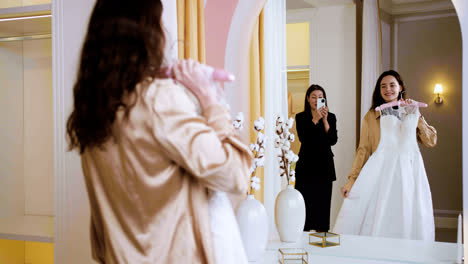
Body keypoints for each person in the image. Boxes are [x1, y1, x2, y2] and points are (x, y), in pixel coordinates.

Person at [66, 1, 252, 263]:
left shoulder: (92, 111)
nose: (165, 32)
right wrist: (209, 99)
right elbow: (235, 175)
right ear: (147, 34)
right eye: (160, 23)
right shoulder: (157, 99)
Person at [333, 70, 437, 240]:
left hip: (408, 172)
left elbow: (431, 141)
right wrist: (352, 180)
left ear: (400, 87)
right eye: (383, 86)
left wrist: (416, 114)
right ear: (378, 90)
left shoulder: (411, 110)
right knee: (378, 218)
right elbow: (363, 150)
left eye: (392, 85)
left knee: (407, 214)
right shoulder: (372, 116)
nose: (388, 89)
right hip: (381, 173)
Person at [294, 84, 338, 232]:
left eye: (320, 97)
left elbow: (333, 140)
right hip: (306, 168)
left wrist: (324, 121)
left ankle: (321, 244)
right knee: (304, 208)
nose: (316, 100)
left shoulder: (331, 117)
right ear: (307, 99)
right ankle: (302, 240)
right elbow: (304, 138)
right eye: (313, 97)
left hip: (324, 169)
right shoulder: (301, 117)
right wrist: (315, 119)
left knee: (323, 208)